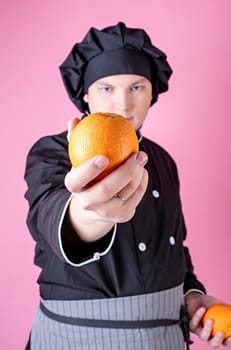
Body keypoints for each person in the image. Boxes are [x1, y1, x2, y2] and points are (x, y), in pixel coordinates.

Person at [24, 22, 231, 349]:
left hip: (164, 338)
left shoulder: (163, 159)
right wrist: (88, 215)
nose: (123, 104)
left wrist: (192, 295)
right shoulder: (52, 151)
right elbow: (49, 215)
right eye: (106, 88)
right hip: (79, 338)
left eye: (137, 87)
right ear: (86, 95)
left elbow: (174, 247)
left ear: (152, 94)